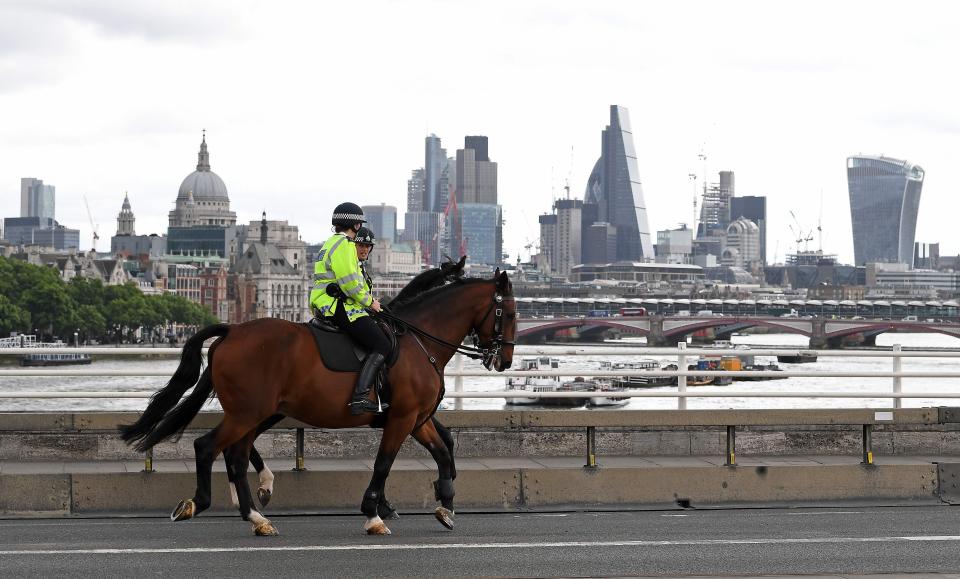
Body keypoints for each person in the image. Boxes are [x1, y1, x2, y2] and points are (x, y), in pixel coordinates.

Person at [310, 203, 391, 415]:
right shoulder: (345, 245)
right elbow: (350, 284)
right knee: (382, 344)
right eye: (358, 224)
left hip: (323, 303)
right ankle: (360, 398)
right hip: (340, 307)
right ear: (355, 224)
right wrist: (371, 303)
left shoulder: (329, 243)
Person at [354, 226, 376, 292]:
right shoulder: (349, 265)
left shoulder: (360, 266)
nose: (365, 250)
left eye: (367, 246)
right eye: (361, 245)